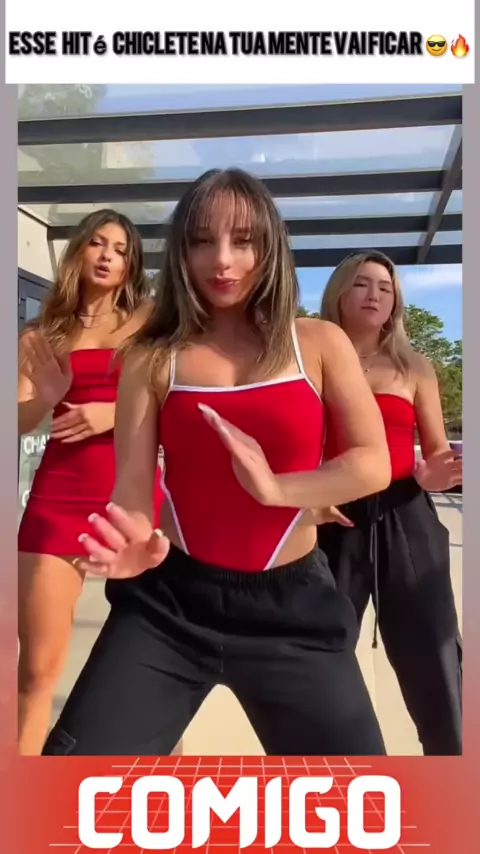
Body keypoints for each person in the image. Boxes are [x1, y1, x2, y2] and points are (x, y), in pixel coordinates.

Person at [43, 168, 392, 757]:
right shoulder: (151, 358)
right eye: (202, 240)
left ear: (270, 246)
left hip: (295, 608)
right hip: (170, 604)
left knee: (362, 801)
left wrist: (276, 489)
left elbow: (371, 462)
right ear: (181, 250)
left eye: (244, 240)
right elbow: (133, 485)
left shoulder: (317, 342)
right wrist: (132, 541)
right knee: (70, 787)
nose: (223, 260)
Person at [18, 209, 162, 755]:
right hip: (57, 498)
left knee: (161, 671)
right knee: (36, 672)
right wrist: (46, 398)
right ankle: (20, 791)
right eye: (98, 243)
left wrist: (113, 414)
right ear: (78, 250)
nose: (107, 256)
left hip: (135, 501)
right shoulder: (42, 333)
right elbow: (18, 419)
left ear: (131, 265)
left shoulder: (151, 321)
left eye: (120, 250)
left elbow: (176, 400)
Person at [316, 250, 462, 756]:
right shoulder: (307, 358)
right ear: (339, 292)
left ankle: (454, 771)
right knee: (319, 650)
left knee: (434, 652)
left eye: (386, 286)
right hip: (330, 515)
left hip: (406, 514)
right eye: (362, 283)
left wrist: (436, 472)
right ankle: (330, 774)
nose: (375, 294)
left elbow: (436, 451)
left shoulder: (415, 367)